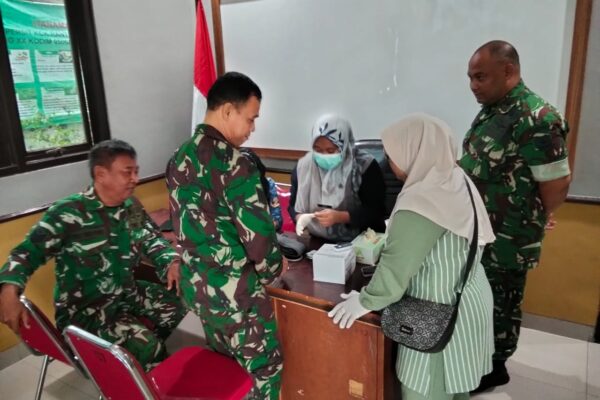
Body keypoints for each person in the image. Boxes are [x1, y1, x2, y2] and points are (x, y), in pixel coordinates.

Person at [329, 113, 496, 399]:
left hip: (434, 315)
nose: (388, 164)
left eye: (391, 156)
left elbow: (395, 271)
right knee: (456, 391)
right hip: (469, 300)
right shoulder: (456, 179)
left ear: (414, 152)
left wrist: (365, 301)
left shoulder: (421, 201)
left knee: (427, 390)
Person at [0, 139, 185, 371]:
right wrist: (8, 290)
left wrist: (171, 261)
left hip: (127, 294)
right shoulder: (67, 213)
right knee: (149, 347)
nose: (135, 179)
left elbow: (149, 238)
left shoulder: (130, 206)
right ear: (100, 174)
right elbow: (26, 253)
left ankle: (153, 367)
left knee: (180, 311)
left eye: (136, 172)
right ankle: (143, 375)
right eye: (127, 172)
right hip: (87, 312)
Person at [459, 40, 571, 392]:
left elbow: (556, 182)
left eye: (480, 77)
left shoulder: (537, 118)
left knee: (501, 304)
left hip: (508, 235)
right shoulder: (493, 111)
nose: (473, 85)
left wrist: (535, 215)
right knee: (480, 301)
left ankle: (494, 368)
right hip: (480, 230)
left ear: (508, 71)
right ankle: (476, 360)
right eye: (470, 77)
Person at [166, 72, 283, 400]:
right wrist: (274, 270)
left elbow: (182, 227)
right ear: (228, 111)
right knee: (264, 369)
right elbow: (260, 240)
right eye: (251, 118)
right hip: (238, 297)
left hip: (201, 292)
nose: (252, 128)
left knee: (225, 370)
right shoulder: (235, 163)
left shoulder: (178, 157)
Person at [289, 114, 386, 242]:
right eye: (318, 150)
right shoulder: (304, 167)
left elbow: (376, 211)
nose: (324, 155)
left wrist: (340, 217)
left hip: (360, 242)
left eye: (330, 151)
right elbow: (292, 205)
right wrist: (299, 217)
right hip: (317, 241)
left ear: (344, 146)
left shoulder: (364, 166)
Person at [240, 148, 283, 232]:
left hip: (264, 232)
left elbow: (277, 220)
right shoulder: (230, 187)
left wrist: (268, 225)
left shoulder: (268, 184)